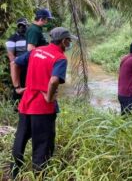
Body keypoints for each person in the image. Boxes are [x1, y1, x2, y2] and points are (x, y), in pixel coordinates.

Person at [10, 27, 77, 178]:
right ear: (64, 41)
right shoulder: (60, 58)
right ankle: (40, 176)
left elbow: (14, 64)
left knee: (20, 140)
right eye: (69, 40)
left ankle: (14, 173)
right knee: (42, 146)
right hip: (43, 110)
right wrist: (48, 97)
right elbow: (54, 80)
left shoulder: (36, 51)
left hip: (26, 105)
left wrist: (17, 87)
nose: (69, 43)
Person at [5, 18, 28, 108]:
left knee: (27, 86)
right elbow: (11, 55)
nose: (22, 27)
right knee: (18, 87)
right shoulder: (12, 38)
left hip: (29, 65)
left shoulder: (29, 36)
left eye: (24, 26)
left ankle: (26, 107)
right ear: (17, 26)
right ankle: (15, 108)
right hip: (18, 65)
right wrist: (17, 65)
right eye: (20, 25)